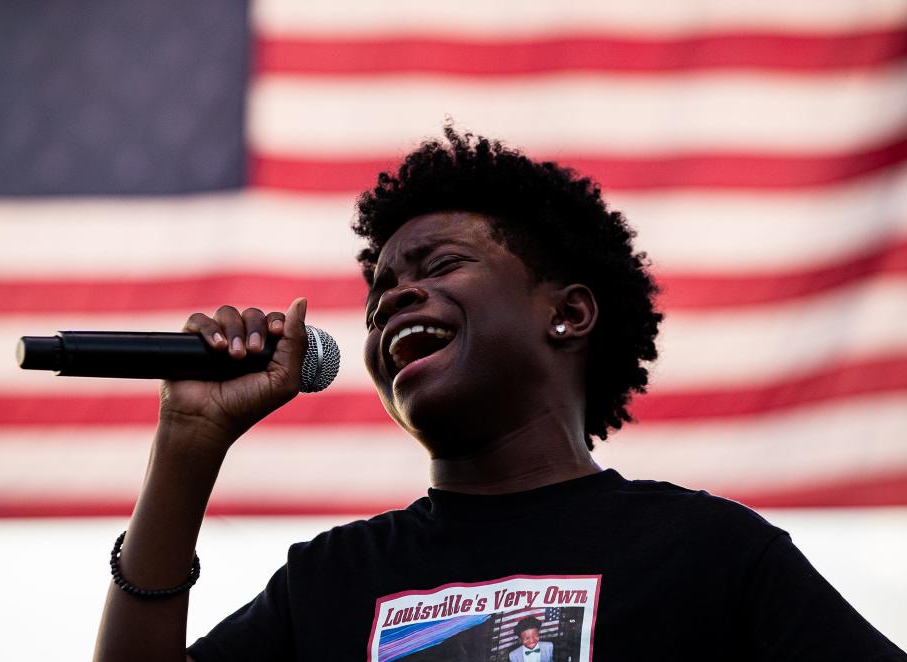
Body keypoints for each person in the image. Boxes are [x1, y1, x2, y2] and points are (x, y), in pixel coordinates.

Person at [94, 128, 907, 661]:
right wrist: (186, 444)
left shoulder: (708, 552)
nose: (395, 300)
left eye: (442, 266)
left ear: (569, 313)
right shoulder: (328, 583)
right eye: (381, 295)